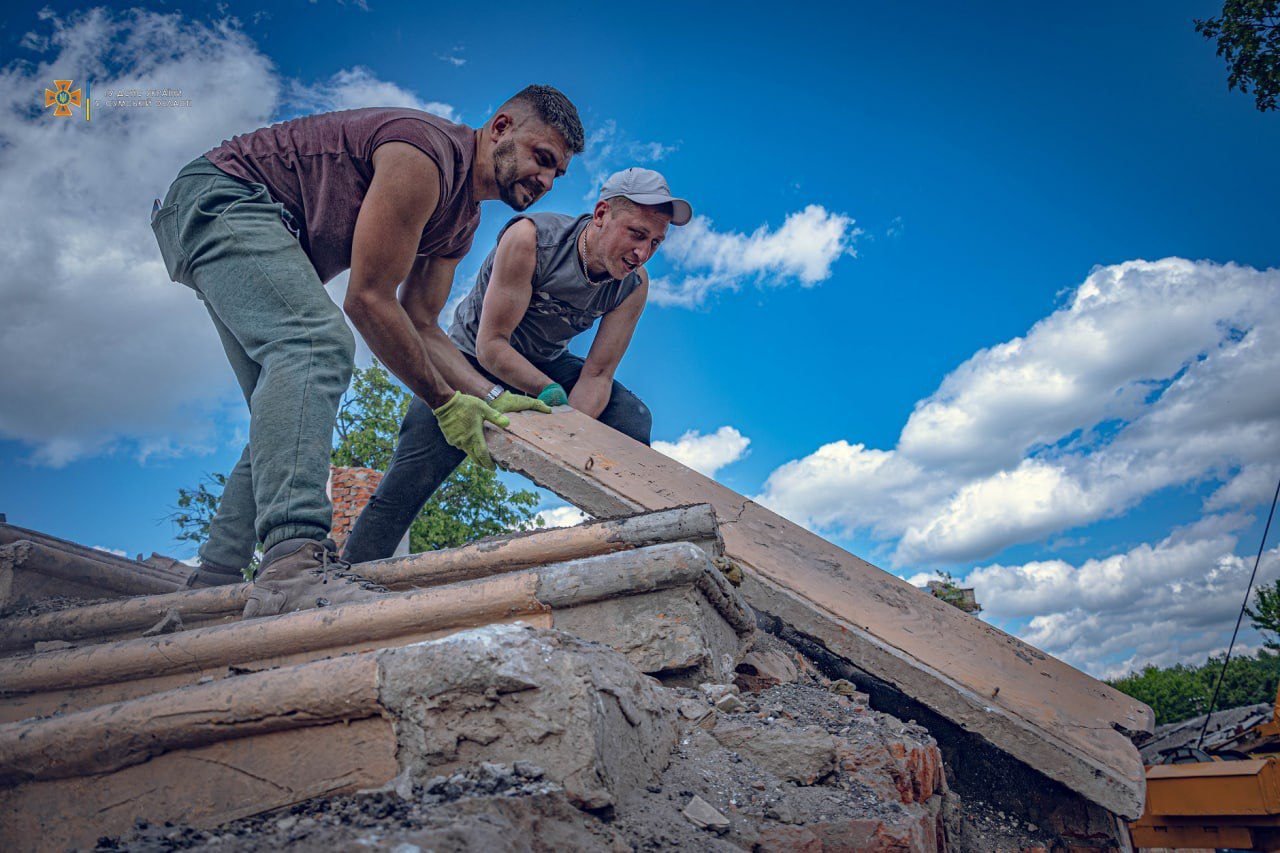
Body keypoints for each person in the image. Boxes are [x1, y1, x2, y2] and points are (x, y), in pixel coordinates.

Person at [150, 86, 584, 616]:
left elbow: (422, 324)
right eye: (542, 158)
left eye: (557, 173)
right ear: (500, 128)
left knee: (288, 412)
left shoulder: (460, 222)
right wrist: (446, 404)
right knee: (316, 346)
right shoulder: (422, 155)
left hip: (245, 219)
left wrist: (491, 397)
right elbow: (369, 301)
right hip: (223, 195)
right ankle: (294, 566)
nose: (545, 180)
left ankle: (215, 581)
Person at [342, 167, 691, 563]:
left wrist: (569, 428)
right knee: (408, 479)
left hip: (544, 363)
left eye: (656, 243)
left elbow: (597, 374)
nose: (642, 253)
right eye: (636, 234)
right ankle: (347, 575)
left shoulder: (633, 285)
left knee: (629, 418)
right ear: (600, 214)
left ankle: (630, 547)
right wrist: (551, 396)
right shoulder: (531, 239)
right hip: (469, 359)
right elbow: (491, 346)